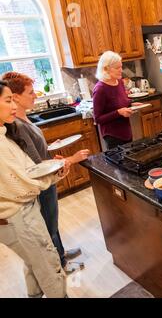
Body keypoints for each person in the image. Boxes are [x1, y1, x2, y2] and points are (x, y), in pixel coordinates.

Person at [2, 72, 89, 272]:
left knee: (53, 220)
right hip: (42, 183)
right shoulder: (18, 126)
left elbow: (35, 153)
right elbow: (36, 164)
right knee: (49, 224)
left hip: (47, 179)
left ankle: (61, 253)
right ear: (15, 97)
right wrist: (72, 159)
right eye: (31, 93)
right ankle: (59, 264)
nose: (36, 96)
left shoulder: (23, 118)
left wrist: (50, 147)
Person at [0, 81, 69, 298]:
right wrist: (55, 173)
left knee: (33, 263)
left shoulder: (4, 134)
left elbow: (27, 169)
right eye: (8, 100)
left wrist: (52, 170)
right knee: (49, 265)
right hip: (18, 217)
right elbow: (24, 185)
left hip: (15, 216)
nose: (13, 107)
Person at [93, 51, 141, 149]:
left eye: (121, 67)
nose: (121, 70)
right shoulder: (100, 89)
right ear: (106, 69)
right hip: (113, 136)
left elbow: (122, 101)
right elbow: (97, 119)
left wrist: (131, 104)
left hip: (126, 131)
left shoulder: (119, 82)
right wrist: (118, 112)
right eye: (117, 68)